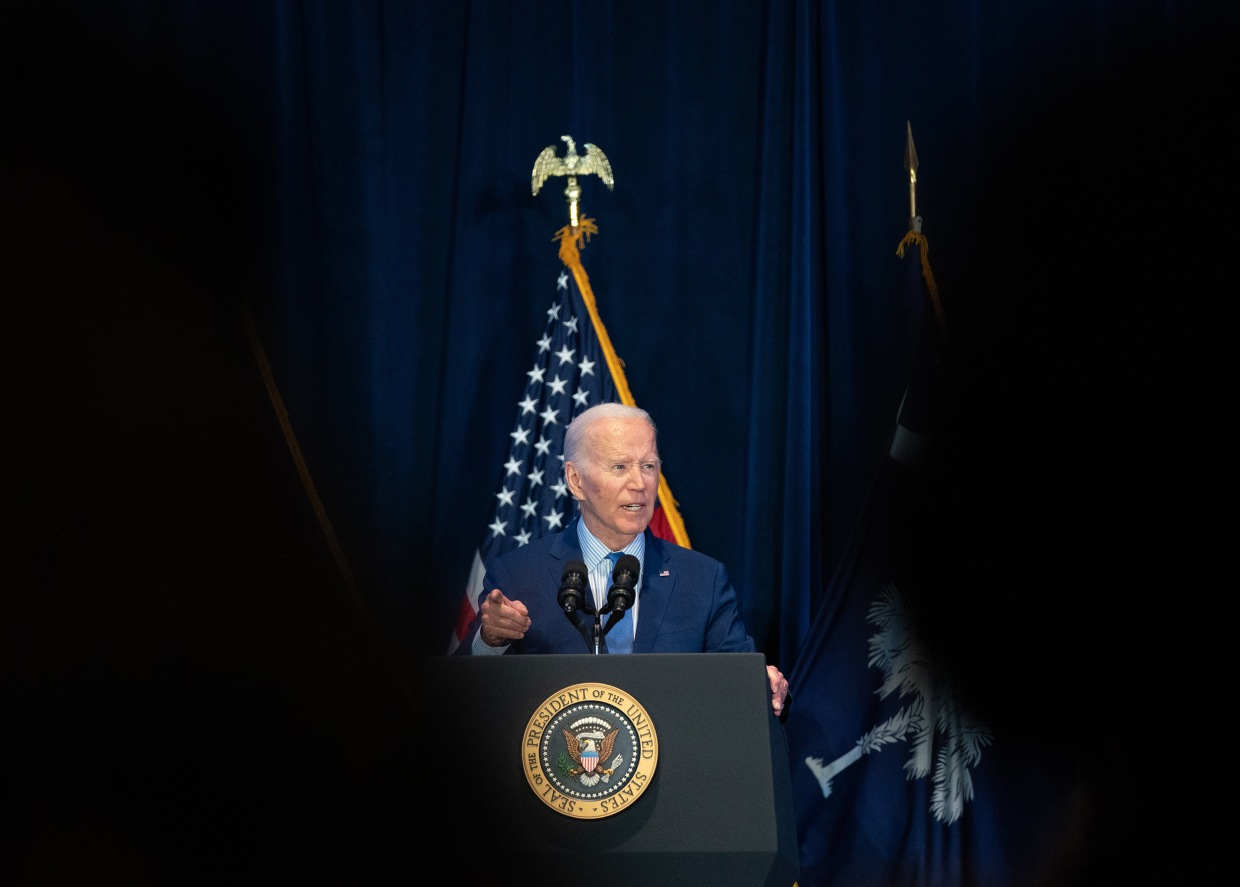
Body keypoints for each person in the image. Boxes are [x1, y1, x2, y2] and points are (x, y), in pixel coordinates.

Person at [455, 402, 790, 716]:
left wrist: (766, 687)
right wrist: (491, 640)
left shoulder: (703, 579)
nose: (639, 483)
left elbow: (741, 679)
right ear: (576, 480)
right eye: (619, 466)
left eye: (648, 466)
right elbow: (462, 694)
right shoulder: (518, 575)